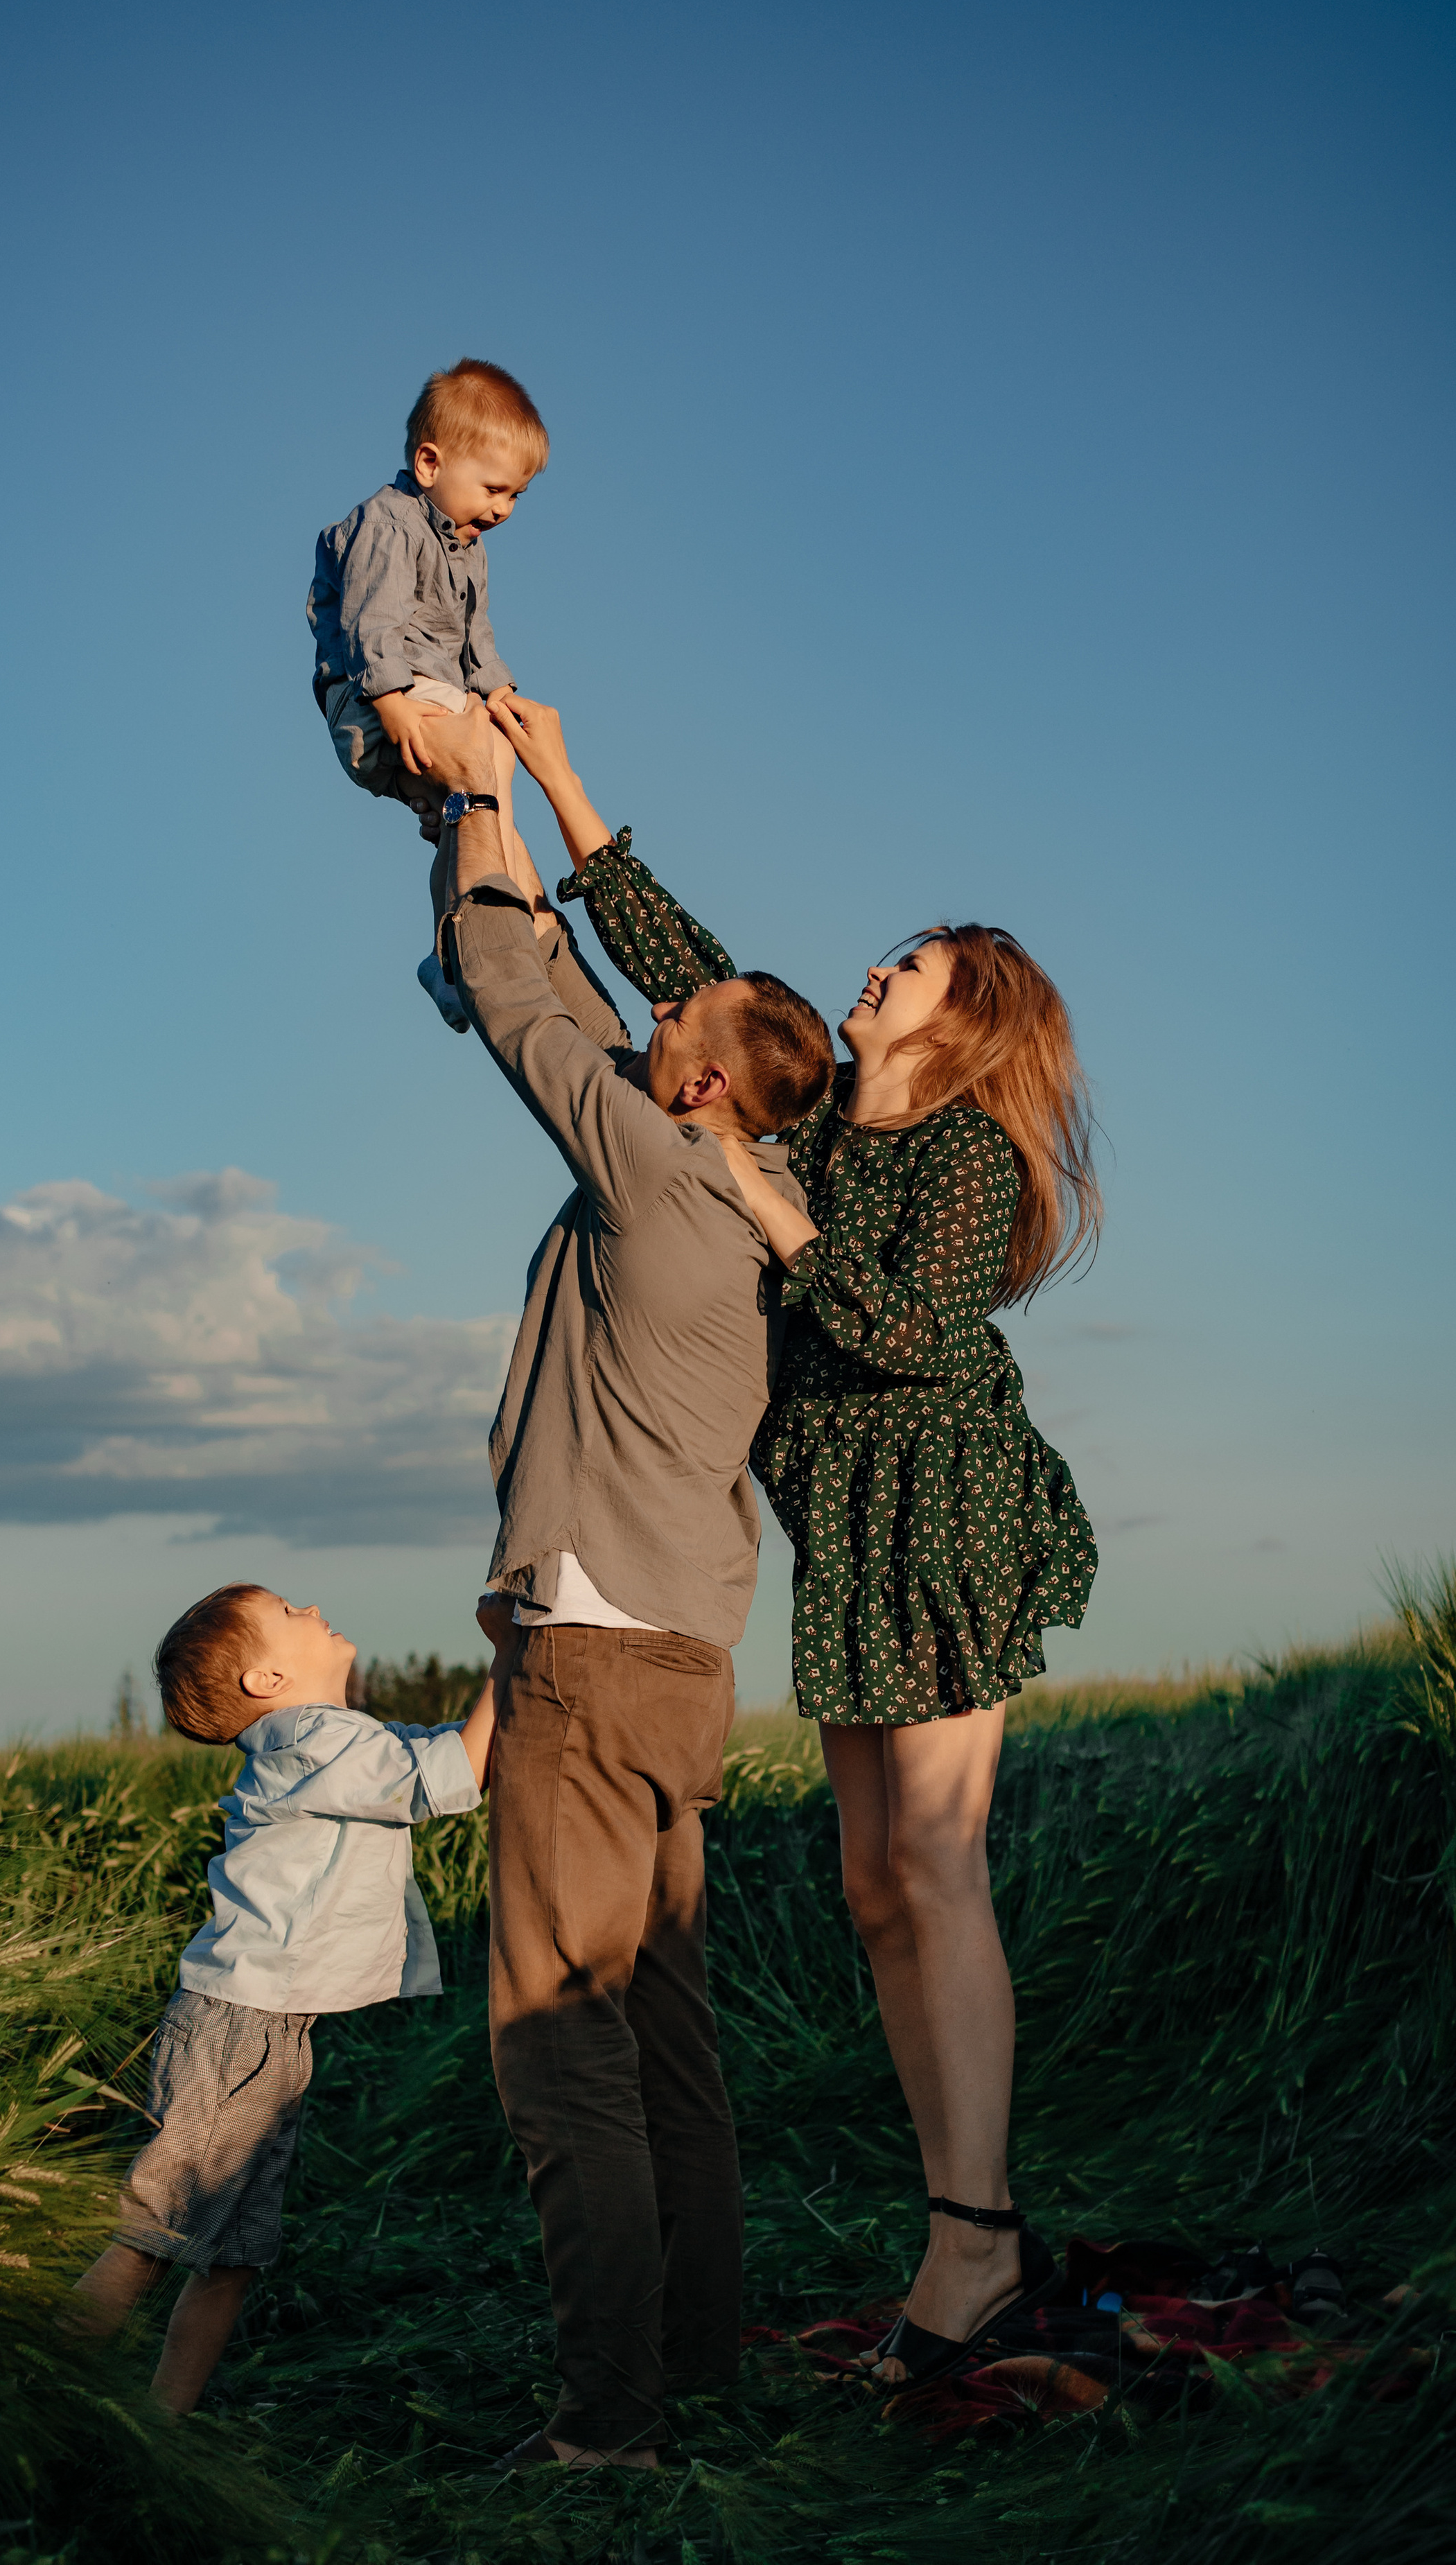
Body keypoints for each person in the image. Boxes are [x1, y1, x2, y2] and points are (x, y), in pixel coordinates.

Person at [492, 690, 1099, 2397]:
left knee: (932, 1864)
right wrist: (554, 778)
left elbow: (910, 1330)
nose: (876, 968)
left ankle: (974, 2234)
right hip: (843, 1524)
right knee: (865, 1882)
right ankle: (952, 2219)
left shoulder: (963, 1153)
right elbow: (689, 959)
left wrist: (766, 1206)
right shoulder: (823, 1113)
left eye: (910, 965)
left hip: (944, 1508)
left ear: (965, 1014)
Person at [423, 700, 834, 2469]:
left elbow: (528, 1009)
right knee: (667, 2035)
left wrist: (468, 815)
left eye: (677, 1023)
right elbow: (605, 1013)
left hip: (585, 1668)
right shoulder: (753, 1189)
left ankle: (608, 2421)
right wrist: (538, 801)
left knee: (556, 2043)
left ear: (701, 1083)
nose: (654, 1014)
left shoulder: (653, 1166)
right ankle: (697, 2372)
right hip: (684, 1655)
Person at [71, 1583, 495, 2411]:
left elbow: (442, 1754)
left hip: (262, 2030)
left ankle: (164, 2428)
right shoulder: (311, 1739)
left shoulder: (334, 1738)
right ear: (266, 1681)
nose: (311, 1608)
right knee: (155, 2234)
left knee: (232, 2257)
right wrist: (509, 1654)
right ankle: (34, 2393)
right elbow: (455, 1771)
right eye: (288, 1612)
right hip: (240, 2030)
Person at [307, 358, 549, 1027]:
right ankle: (496, 922)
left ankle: (450, 961)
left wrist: (499, 692)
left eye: (516, 497)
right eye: (495, 489)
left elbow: (477, 638)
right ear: (429, 464)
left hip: (431, 695)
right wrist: (390, 701)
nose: (502, 509)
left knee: (481, 794)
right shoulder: (387, 523)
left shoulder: (469, 549)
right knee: (482, 771)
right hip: (377, 701)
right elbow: (369, 621)